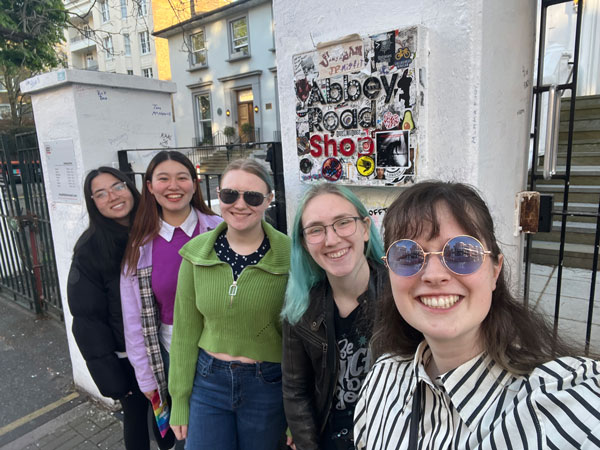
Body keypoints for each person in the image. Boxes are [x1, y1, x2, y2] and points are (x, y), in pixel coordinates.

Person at [354, 181, 600, 449]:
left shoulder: (562, 402)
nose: (434, 275)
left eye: (461, 252)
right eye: (409, 255)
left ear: (495, 271)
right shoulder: (381, 380)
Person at [168, 158, 291, 450]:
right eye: (229, 194)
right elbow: (184, 332)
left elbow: (300, 339)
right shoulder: (196, 254)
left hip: (268, 384)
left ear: (268, 200)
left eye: (252, 196)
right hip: (208, 382)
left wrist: (297, 415)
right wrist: (179, 400)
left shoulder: (290, 256)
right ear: (218, 195)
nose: (239, 204)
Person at [120, 151, 222, 446]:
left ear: (195, 183)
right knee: (183, 436)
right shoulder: (141, 246)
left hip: (223, 346)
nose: (173, 186)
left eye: (182, 177)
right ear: (150, 187)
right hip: (169, 352)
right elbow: (133, 320)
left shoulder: (219, 229)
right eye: (163, 178)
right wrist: (146, 378)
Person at [280, 183, 386, 450]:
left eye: (343, 222)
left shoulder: (400, 295)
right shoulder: (300, 308)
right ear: (304, 244)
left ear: (365, 228)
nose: (332, 239)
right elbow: (295, 390)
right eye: (316, 230)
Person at [67, 166, 162, 449]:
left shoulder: (153, 229)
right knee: (137, 417)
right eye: (101, 194)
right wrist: (113, 378)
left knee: (166, 416)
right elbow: (87, 321)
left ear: (130, 188)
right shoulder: (90, 250)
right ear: (93, 203)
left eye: (117, 187)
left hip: (164, 343)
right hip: (126, 358)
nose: (113, 196)